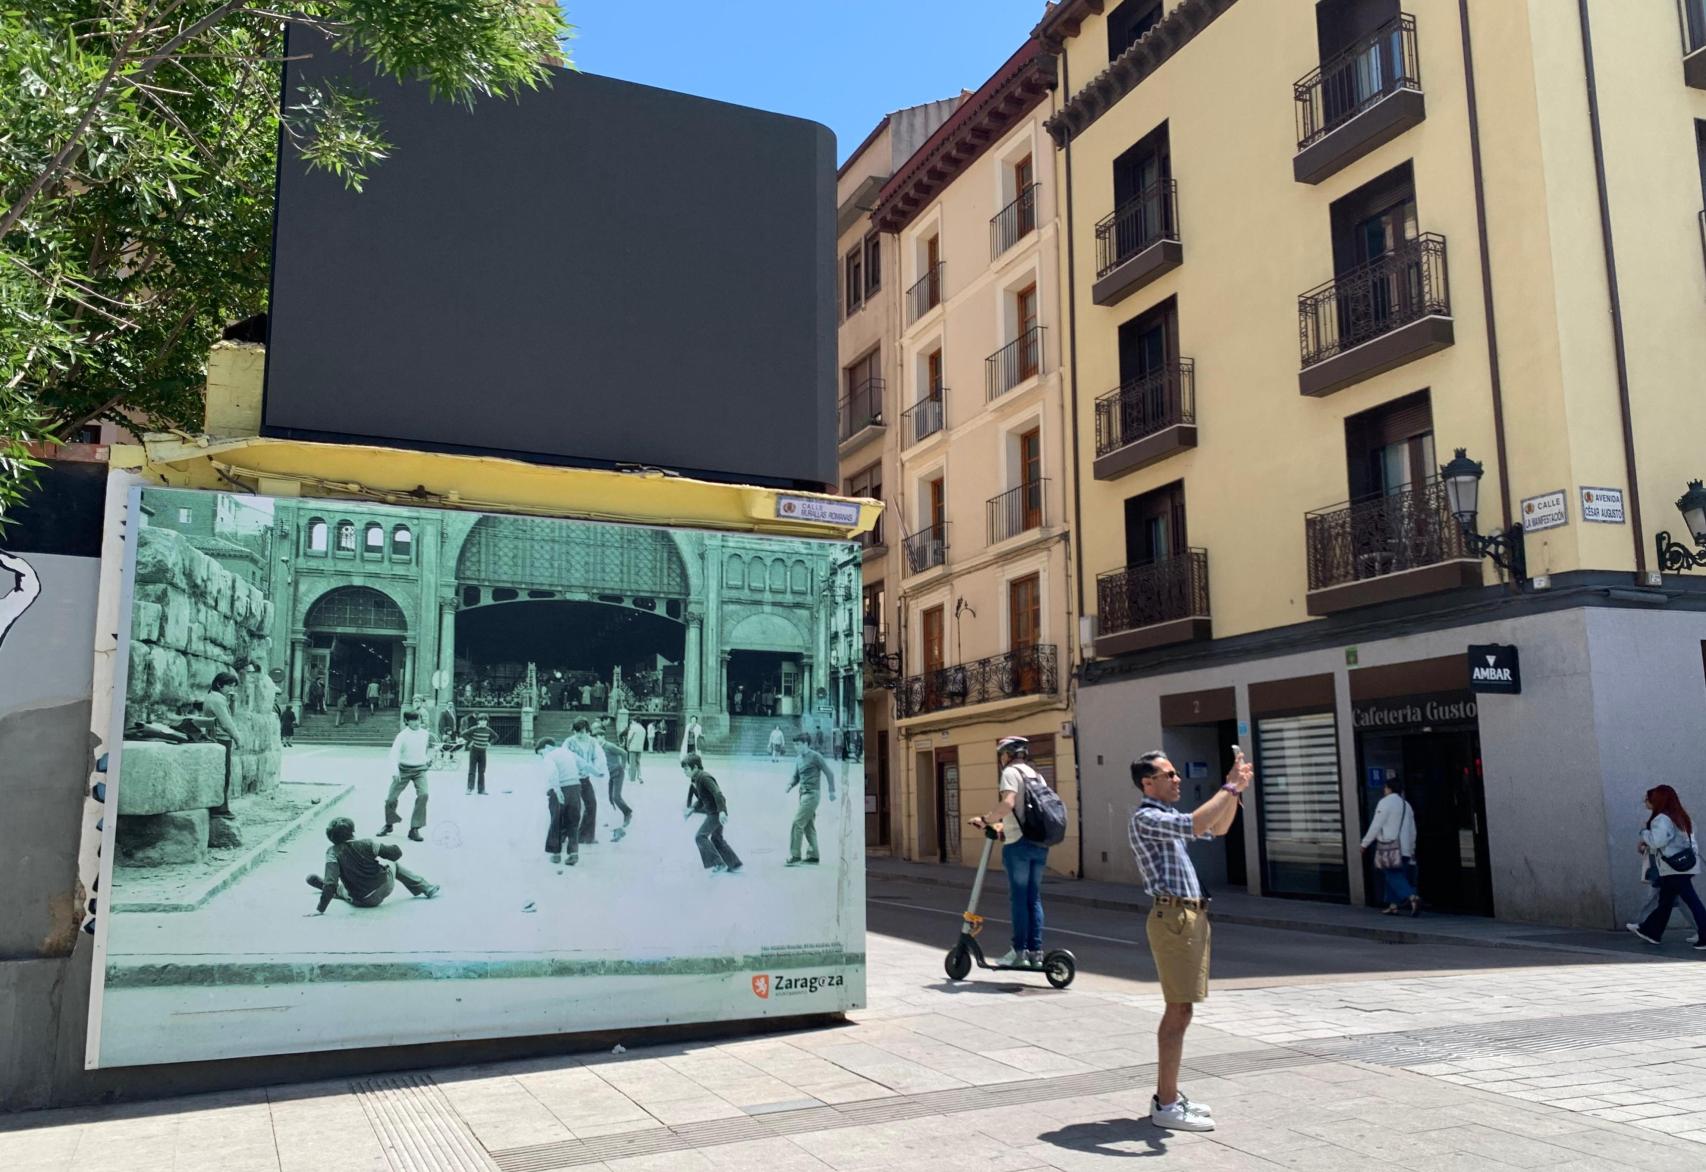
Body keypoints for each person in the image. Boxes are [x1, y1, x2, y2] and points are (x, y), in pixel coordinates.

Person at [1128, 748, 1254, 1132]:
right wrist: (1229, 785)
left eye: (1177, 773)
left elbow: (1219, 827)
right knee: (1178, 1010)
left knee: (1183, 1009)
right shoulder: (1146, 817)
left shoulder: (1166, 816)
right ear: (1149, 783)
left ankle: (1169, 1097)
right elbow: (1197, 822)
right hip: (1174, 917)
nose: (1178, 779)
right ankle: (1165, 1104)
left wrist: (1235, 791)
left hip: (1190, 915)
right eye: (1169, 775)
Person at [968, 736, 1051, 969]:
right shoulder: (1037, 775)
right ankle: (1036, 952)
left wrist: (986, 820)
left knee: (1018, 899)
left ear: (1007, 755)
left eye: (1002, 754)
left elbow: (1009, 803)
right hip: (1039, 845)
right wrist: (1005, 824)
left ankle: (1018, 952)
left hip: (1019, 846)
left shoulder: (1010, 773)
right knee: (1033, 899)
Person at [1628, 785, 1706, 949]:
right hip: (1684, 864)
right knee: (1666, 900)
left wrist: (1644, 832)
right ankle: (1651, 931)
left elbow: (1657, 841)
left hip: (1673, 867)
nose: (1645, 801)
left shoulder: (1662, 819)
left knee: (1690, 901)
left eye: (1649, 799)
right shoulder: (1682, 816)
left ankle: (1704, 934)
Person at [307, 816, 439, 912]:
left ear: (331, 838)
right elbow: (396, 854)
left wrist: (320, 909)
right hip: (384, 886)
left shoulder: (332, 853)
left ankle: (324, 887)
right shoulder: (367, 843)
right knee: (394, 865)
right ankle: (425, 887)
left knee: (339, 889)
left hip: (360, 900)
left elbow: (331, 882)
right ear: (353, 832)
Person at [1360, 778, 1420, 916]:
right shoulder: (1406, 805)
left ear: (1388, 788)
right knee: (1397, 874)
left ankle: (1412, 897)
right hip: (1405, 847)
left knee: (1391, 873)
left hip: (1390, 846)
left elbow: (1376, 825)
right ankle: (1393, 906)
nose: (1384, 790)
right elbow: (1413, 830)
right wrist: (1412, 848)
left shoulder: (1385, 802)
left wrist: (1365, 843)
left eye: (1385, 788)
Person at [681, 752, 741, 872]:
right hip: (715, 812)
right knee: (716, 839)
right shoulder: (697, 779)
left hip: (716, 813)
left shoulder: (704, 778)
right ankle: (734, 864)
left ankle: (719, 864)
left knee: (700, 837)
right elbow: (703, 799)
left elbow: (717, 793)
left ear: (696, 767)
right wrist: (692, 809)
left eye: (686, 769)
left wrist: (722, 811)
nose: (684, 772)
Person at [381, 710, 435, 842]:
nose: (417, 723)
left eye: (418, 720)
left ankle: (414, 829)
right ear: (407, 721)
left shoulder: (425, 734)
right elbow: (394, 754)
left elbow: (422, 752)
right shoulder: (402, 736)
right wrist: (395, 771)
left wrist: (427, 759)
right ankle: (389, 824)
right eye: (413, 720)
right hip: (403, 769)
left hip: (419, 770)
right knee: (390, 799)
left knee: (424, 794)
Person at [785, 731, 837, 866]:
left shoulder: (815, 757)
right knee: (808, 826)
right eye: (795, 745)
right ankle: (813, 856)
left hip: (812, 794)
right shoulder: (798, 759)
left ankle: (795, 855)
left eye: (798, 744)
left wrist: (832, 791)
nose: (796, 747)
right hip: (802, 795)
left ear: (806, 744)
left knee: (797, 823)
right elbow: (796, 776)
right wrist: (790, 784)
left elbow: (829, 773)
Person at [536, 737, 584, 867]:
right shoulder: (568, 752)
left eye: (541, 753)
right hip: (575, 787)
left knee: (556, 821)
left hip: (560, 789)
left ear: (546, 748)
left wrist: (557, 790)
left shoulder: (549, 756)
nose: (542, 757)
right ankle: (573, 854)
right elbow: (584, 765)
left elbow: (552, 772)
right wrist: (598, 773)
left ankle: (556, 854)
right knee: (573, 822)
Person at [202, 670, 243, 815]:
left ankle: (220, 806)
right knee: (223, 774)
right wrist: (238, 738)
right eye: (229, 686)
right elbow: (227, 723)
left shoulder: (216, 697)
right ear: (219, 685)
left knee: (222, 773)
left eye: (233, 686)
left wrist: (233, 701)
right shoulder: (217, 700)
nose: (231, 689)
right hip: (221, 739)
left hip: (218, 738)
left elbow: (231, 715)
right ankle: (220, 808)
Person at [564, 719, 607, 847]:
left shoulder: (592, 742)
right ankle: (564, 835)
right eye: (576, 731)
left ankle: (586, 836)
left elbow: (599, 757)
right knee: (571, 808)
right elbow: (563, 757)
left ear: (587, 731)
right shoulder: (569, 742)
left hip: (585, 779)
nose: (579, 735)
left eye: (582, 732)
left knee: (591, 804)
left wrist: (594, 768)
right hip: (572, 779)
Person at [594, 719, 633, 841]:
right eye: (594, 737)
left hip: (617, 773)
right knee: (609, 798)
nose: (596, 739)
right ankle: (613, 820)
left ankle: (627, 812)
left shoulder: (609, 746)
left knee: (616, 797)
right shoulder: (597, 748)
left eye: (598, 737)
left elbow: (624, 753)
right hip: (608, 775)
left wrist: (623, 766)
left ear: (602, 736)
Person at [464, 712, 494, 795]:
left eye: (485, 721)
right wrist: (471, 741)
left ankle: (481, 789)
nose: (483, 722)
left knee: (482, 771)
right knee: (472, 770)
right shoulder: (474, 729)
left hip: (483, 752)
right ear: (478, 721)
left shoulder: (488, 730)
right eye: (481, 720)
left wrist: (490, 743)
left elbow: (496, 737)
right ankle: (469, 788)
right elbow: (464, 734)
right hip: (474, 751)